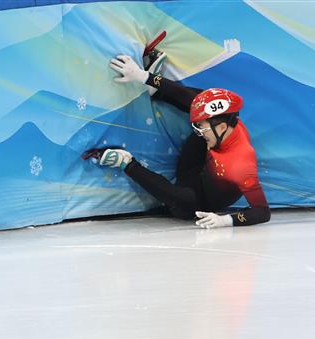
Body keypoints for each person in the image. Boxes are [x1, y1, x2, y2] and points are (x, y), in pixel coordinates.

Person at [84, 52, 270, 229]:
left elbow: (262, 212)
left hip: (200, 200)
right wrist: (144, 76)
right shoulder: (222, 122)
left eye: (202, 127)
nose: (198, 130)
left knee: (185, 203)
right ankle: (155, 90)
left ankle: (127, 163)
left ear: (221, 128)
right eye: (198, 126)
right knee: (199, 100)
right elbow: (194, 102)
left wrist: (225, 220)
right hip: (197, 168)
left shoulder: (241, 165)